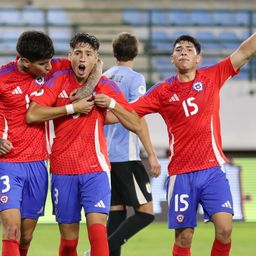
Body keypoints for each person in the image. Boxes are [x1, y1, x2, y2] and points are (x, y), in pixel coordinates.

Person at [108, 33, 256, 256]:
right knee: (184, 236)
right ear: (172, 59)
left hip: (212, 169)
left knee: (225, 229)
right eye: (178, 49)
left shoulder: (212, 76)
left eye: (189, 48)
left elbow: (244, 52)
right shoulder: (162, 91)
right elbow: (128, 112)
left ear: (198, 58)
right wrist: (106, 107)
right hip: (181, 174)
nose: (184, 51)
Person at [26, 32, 155, 256]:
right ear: (70, 56)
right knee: (68, 242)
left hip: (95, 170)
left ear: (96, 59)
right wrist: (71, 108)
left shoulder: (106, 86)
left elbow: (136, 122)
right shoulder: (57, 77)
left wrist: (113, 103)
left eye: (88, 54)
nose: (82, 58)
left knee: (98, 236)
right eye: (78, 53)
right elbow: (33, 114)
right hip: (63, 170)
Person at [101, 32, 160, 256]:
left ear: (114, 52)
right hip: (126, 156)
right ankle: (100, 251)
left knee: (116, 213)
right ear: (136, 52)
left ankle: (102, 251)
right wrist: (152, 154)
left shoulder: (104, 77)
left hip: (106, 157)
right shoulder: (136, 79)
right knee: (146, 212)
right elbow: (138, 116)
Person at [0, 30, 56, 256]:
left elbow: (85, 63)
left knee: (26, 236)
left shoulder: (52, 69)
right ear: (24, 61)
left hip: (38, 165)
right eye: (43, 64)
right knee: (11, 229)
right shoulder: (2, 77)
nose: (49, 67)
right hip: (8, 162)